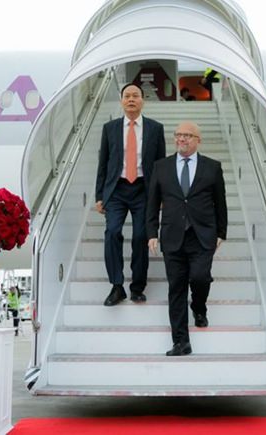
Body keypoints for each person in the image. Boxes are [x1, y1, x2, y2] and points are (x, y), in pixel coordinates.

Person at [146, 121, 227, 356]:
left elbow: (220, 203)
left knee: (200, 278)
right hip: (172, 236)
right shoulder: (161, 167)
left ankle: (199, 307)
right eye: (178, 135)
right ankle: (181, 342)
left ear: (198, 140)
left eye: (188, 135)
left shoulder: (212, 167)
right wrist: (152, 233)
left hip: (202, 235)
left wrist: (221, 232)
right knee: (176, 288)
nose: (182, 139)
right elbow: (152, 204)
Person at [95, 83, 166, 306]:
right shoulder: (110, 128)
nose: (131, 99)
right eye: (127, 96)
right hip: (116, 189)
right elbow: (103, 164)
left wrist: (161, 195)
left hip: (144, 189)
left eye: (135, 95)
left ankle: (137, 287)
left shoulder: (155, 128)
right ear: (121, 101)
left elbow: (161, 164)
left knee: (140, 237)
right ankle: (117, 286)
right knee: (112, 232)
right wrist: (100, 196)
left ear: (143, 100)